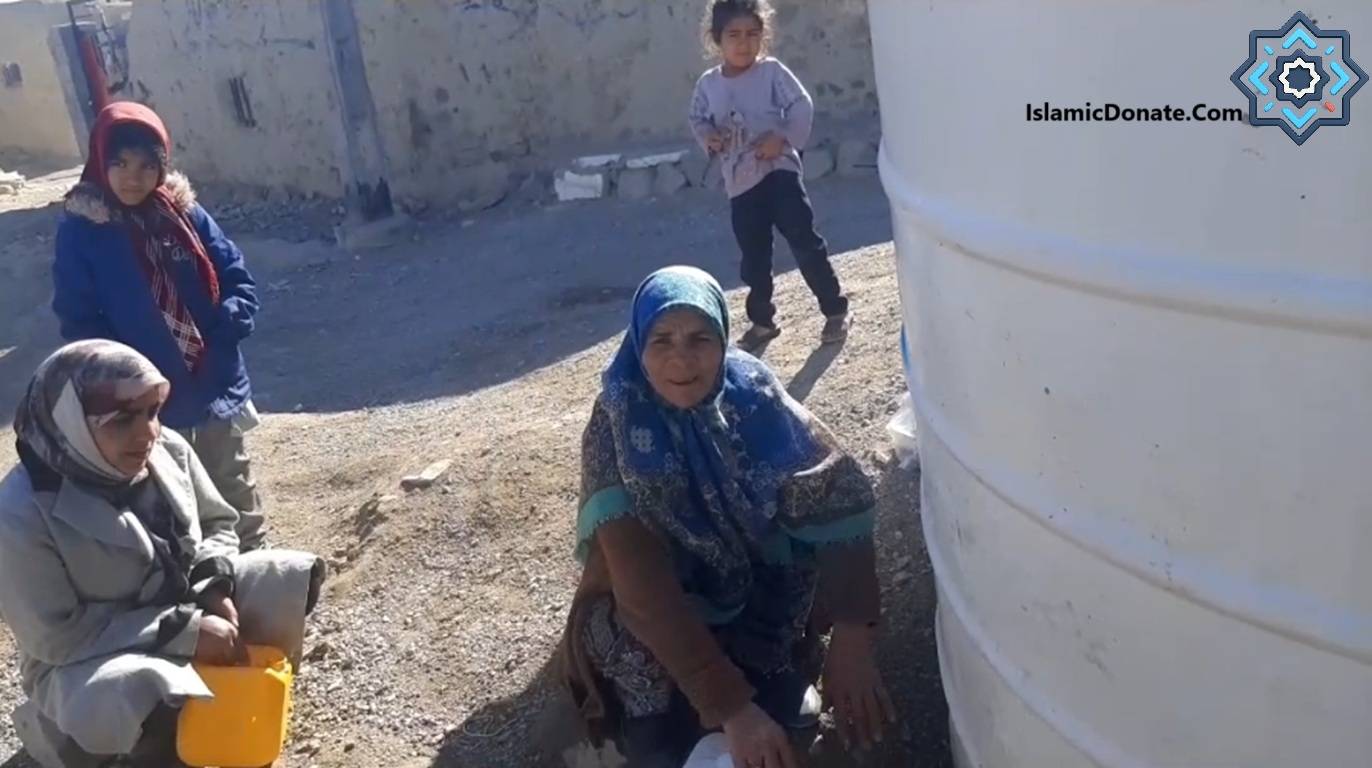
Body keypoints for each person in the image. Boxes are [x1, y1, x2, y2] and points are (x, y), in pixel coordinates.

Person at [560, 267, 894, 768]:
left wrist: (852, 633)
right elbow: (643, 590)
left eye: (700, 338)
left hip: (749, 575)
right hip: (661, 599)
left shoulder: (752, 396)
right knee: (656, 721)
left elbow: (838, 494)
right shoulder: (618, 424)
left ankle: (766, 671)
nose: (681, 358)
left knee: (781, 673)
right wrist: (733, 710)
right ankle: (659, 726)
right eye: (662, 339)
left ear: (722, 338)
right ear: (637, 344)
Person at [0, 340, 325, 768]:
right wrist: (184, 632)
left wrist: (213, 587)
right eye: (120, 420)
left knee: (286, 579)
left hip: (184, 606)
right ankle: (74, 738)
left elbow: (215, 524)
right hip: (91, 655)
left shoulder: (166, 450)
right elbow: (57, 637)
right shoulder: (20, 511)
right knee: (149, 687)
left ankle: (233, 707)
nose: (147, 432)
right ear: (71, 423)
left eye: (152, 412)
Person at [53, 101, 266, 551]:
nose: (134, 177)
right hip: (145, 398)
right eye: (121, 163)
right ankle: (200, 588)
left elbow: (233, 274)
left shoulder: (183, 212)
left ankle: (257, 575)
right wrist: (119, 380)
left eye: (149, 165)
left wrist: (230, 321)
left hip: (211, 379)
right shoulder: (83, 230)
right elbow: (78, 318)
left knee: (231, 481)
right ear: (99, 161)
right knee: (169, 497)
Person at [688, 0, 852, 352]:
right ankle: (762, 321)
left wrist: (783, 139)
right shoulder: (708, 85)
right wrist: (710, 137)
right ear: (716, 39)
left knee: (804, 241)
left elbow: (801, 104)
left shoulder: (772, 72)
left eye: (752, 34)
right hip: (740, 182)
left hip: (779, 172)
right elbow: (698, 118)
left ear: (763, 36)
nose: (744, 43)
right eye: (734, 35)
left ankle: (835, 310)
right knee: (754, 255)